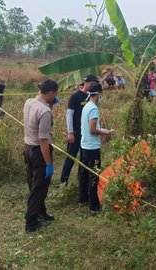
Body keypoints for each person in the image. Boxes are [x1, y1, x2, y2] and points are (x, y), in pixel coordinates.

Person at [22, 79, 60, 233]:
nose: (55, 96)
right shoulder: (45, 112)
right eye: (55, 94)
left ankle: (41, 213)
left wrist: (49, 104)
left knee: (35, 184)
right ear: (50, 93)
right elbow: (43, 140)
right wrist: (49, 163)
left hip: (27, 148)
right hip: (39, 151)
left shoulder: (29, 102)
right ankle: (31, 223)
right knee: (39, 189)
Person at [79, 83, 114, 215]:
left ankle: (83, 200)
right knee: (94, 176)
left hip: (85, 145)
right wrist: (106, 132)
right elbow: (92, 129)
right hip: (92, 147)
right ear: (98, 94)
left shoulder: (86, 106)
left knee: (84, 174)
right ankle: (94, 207)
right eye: (101, 95)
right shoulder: (93, 109)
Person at [59, 75, 99, 187]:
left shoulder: (91, 97)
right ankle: (63, 181)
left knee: (83, 158)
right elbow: (69, 114)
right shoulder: (75, 96)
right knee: (71, 157)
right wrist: (70, 132)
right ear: (85, 83)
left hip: (85, 133)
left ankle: (80, 180)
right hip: (75, 132)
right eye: (91, 83)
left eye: (94, 84)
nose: (92, 86)